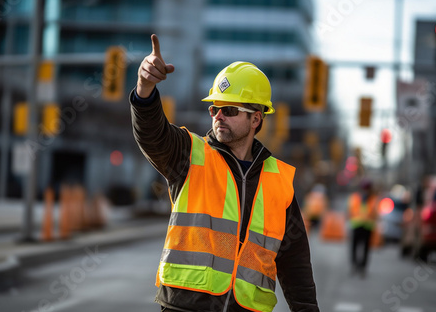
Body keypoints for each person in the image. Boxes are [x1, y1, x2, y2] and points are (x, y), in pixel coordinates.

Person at [130, 34, 319, 312]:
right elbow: (152, 134)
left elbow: (295, 263)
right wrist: (145, 89)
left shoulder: (279, 182)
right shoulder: (190, 155)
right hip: (185, 307)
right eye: (215, 109)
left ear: (256, 119)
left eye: (229, 110)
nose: (218, 116)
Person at [347, 178, 378, 278]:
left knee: (365, 248)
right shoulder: (355, 198)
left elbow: (375, 212)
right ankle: (355, 265)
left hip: (368, 226)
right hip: (357, 224)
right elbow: (351, 210)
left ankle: (362, 267)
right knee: (355, 246)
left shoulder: (373, 199)